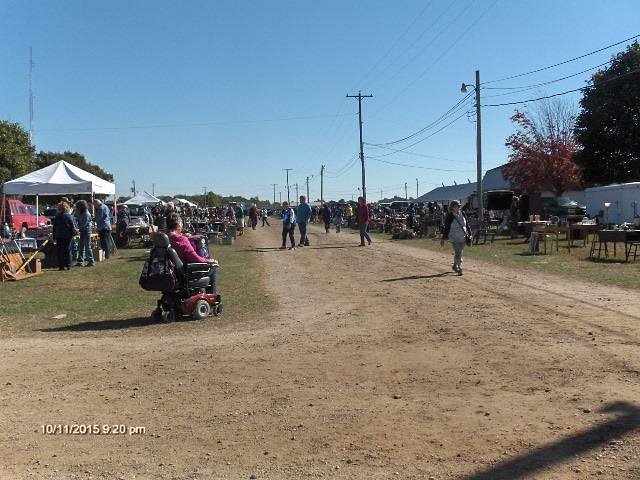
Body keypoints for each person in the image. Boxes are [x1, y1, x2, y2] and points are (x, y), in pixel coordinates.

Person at [166, 213, 219, 294]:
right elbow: (195, 258)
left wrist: (186, 236)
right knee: (212, 269)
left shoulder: (166, 239)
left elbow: (175, 237)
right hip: (187, 272)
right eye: (181, 222)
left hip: (171, 272)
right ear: (177, 224)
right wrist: (210, 261)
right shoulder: (181, 240)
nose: (182, 224)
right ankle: (212, 297)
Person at [441, 199, 472, 276]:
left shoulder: (463, 213)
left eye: (459, 206)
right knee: (458, 253)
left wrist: (470, 234)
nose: (458, 207)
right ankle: (459, 267)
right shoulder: (450, 216)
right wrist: (443, 238)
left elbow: (467, 225)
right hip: (454, 238)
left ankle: (455, 265)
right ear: (452, 207)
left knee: (459, 252)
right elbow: (447, 228)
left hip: (463, 237)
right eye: (456, 206)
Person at [52, 201, 77, 271]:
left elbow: (54, 228)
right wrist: (73, 234)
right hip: (68, 236)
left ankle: (61, 266)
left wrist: (54, 238)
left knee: (60, 251)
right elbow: (72, 226)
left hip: (59, 235)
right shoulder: (69, 216)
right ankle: (68, 265)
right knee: (67, 250)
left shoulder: (57, 216)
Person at [74, 200, 95, 267]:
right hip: (82, 231)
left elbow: (83, 224)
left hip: (86, 231)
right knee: (81, 246)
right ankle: (80, 261)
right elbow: (76, 220)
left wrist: (77, 228)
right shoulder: (81, 213)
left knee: (87, 247)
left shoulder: (86, 214)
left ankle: (91, 262)